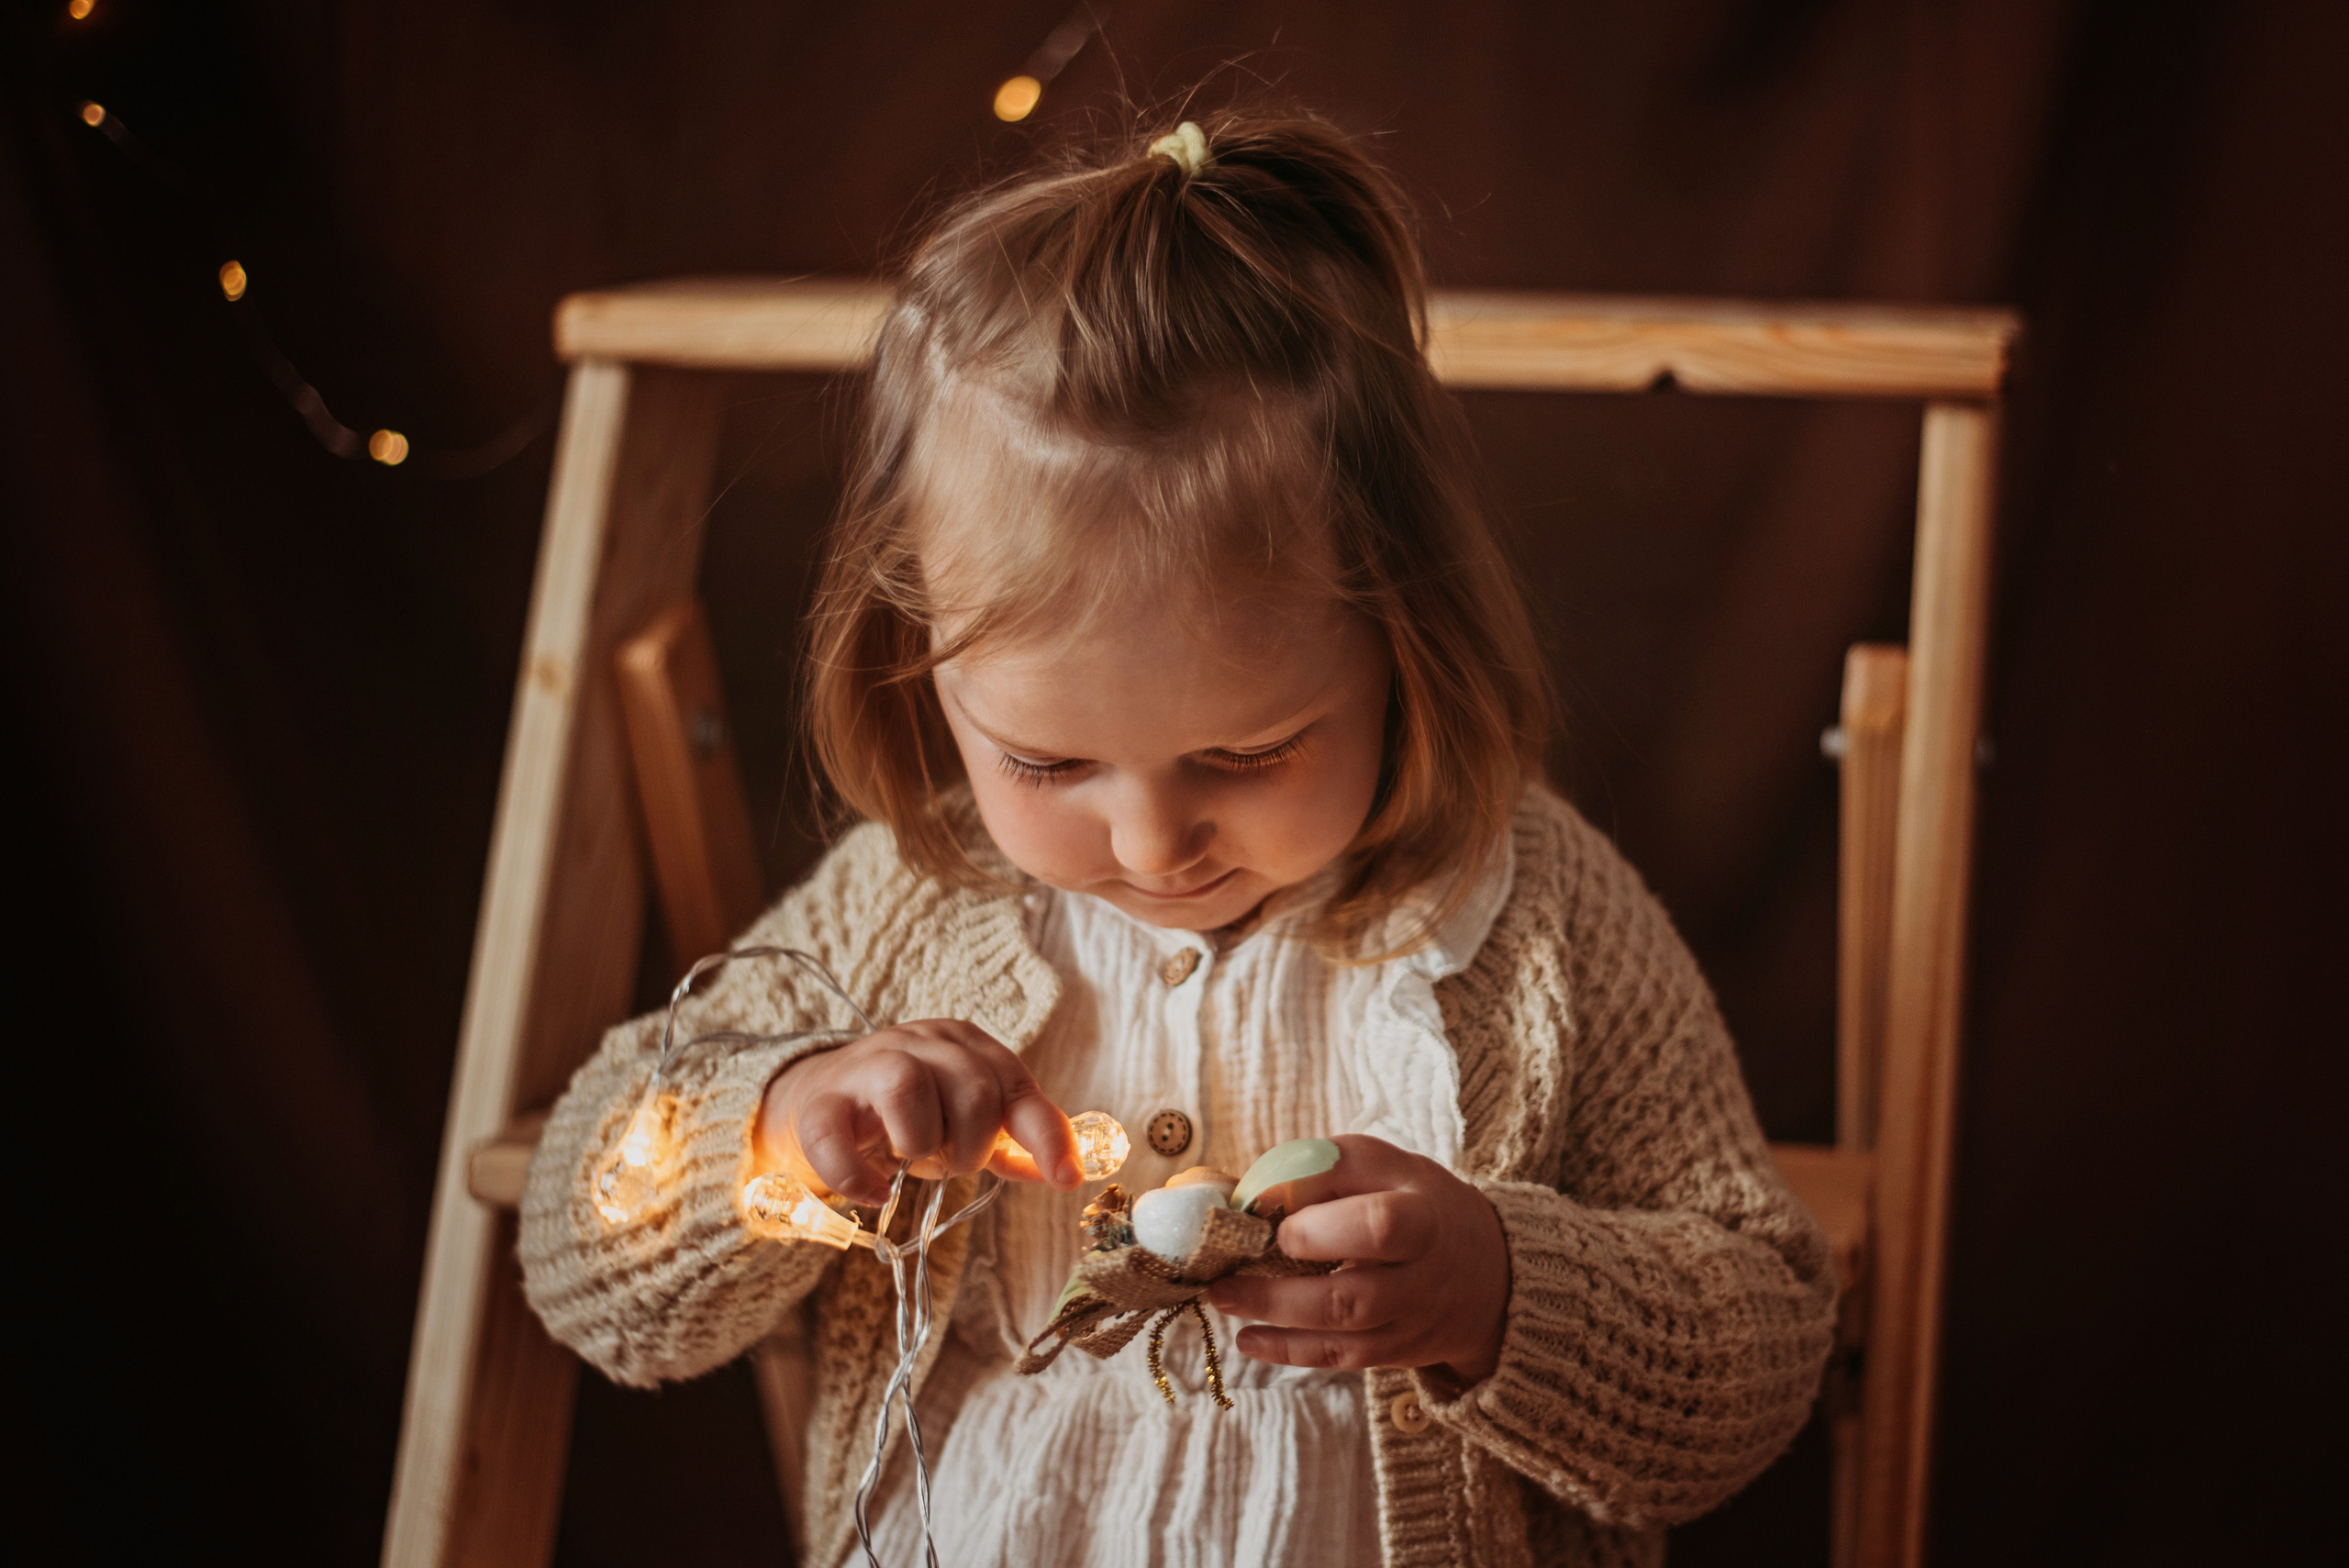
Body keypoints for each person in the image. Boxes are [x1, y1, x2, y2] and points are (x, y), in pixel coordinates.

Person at [519, 107, 1836, 1568]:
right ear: (920, 665)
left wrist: (1499, 1293)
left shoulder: (1528, 918)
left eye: (1249, 753)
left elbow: (1764, 1332)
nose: (1154, 842)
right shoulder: (913, 901)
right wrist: (775, 1130)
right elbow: (584, 1245)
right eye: (1048, 761)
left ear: (1407, 639)